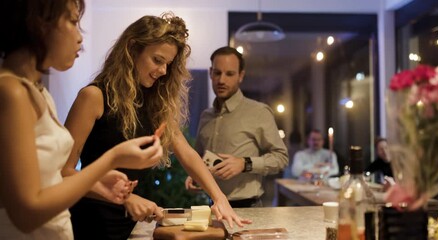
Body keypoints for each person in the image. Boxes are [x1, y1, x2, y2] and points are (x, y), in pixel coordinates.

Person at [62, 14, 250, 240]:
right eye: (157, 60)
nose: (163, 71)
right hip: (90, 222)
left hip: (129, 223)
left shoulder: (153, 104)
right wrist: (126, 198)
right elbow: (63, 172)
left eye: (168, 65)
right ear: (132, 49)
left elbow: (188, 154)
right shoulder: (93, 96)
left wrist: (220, 199)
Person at [0, 0, 164, 239]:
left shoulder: (37, 92)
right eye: (73, 21)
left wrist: (96, 182)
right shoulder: (11, 91)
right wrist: (111, 159)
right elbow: (26, 213)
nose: (79, 37)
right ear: (39, 24)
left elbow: (49, 179)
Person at [185, 46, 289, 208]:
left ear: (241, 76)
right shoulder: (206, 116)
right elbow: (198, 158)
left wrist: (244, 163)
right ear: (211, 73)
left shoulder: (259, 112)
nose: (221, 80)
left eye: (230, 74)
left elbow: (281, 158)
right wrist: (195, 175)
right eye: (217, 73)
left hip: (249, 208)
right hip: (213, 207)